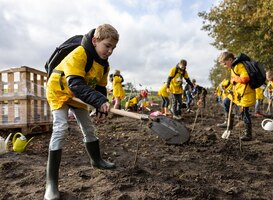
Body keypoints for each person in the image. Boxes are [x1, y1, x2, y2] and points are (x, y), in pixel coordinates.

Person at [44, 24, 119, 200]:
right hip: (59, 91)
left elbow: (100, 88)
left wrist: (102, 106)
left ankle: (97, 161)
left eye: (113, 48)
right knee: (61, 128)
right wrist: (98, 101)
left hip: (77, 95)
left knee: (88, 128)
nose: (110, 51)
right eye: (107, 46)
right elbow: (75, 84)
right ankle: (51, 183)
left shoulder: (104, 65)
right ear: (95, 41)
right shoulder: (79, 53)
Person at [218, 51, 256, 141]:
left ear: (230, 60)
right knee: (226, 102)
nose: (224, 66)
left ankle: (248, 134)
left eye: (224, 63)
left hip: (246, 94)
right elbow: (235, 82)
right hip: (238, 94)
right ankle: (228, 123)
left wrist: (234, 79)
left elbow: (245, 78)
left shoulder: (239, 66)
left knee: (244, 114)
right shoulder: (233, 67)